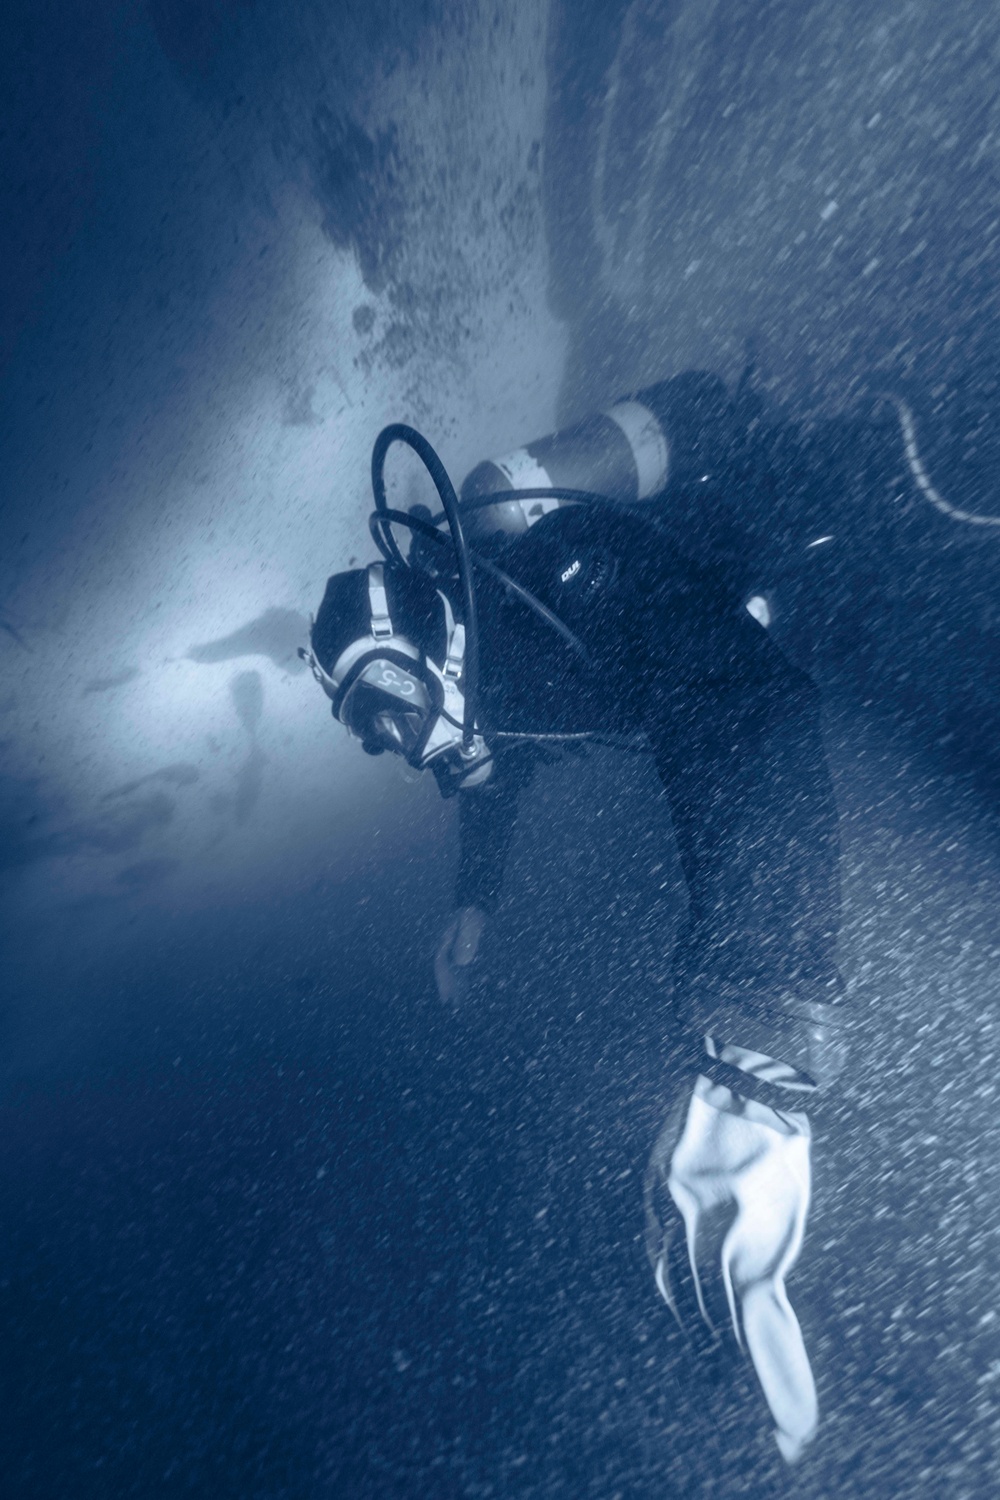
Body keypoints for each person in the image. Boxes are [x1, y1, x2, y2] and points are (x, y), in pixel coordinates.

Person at [301, 391, 851, 1464]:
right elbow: (495, 765)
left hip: (821, 525)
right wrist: (476, 899)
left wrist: (763, 1042)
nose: (400, 749)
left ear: (432, 644)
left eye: (393, 715)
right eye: (370, 734)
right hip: (791, 591)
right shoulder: (489, 665)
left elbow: (746, 712)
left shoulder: (567, 582)